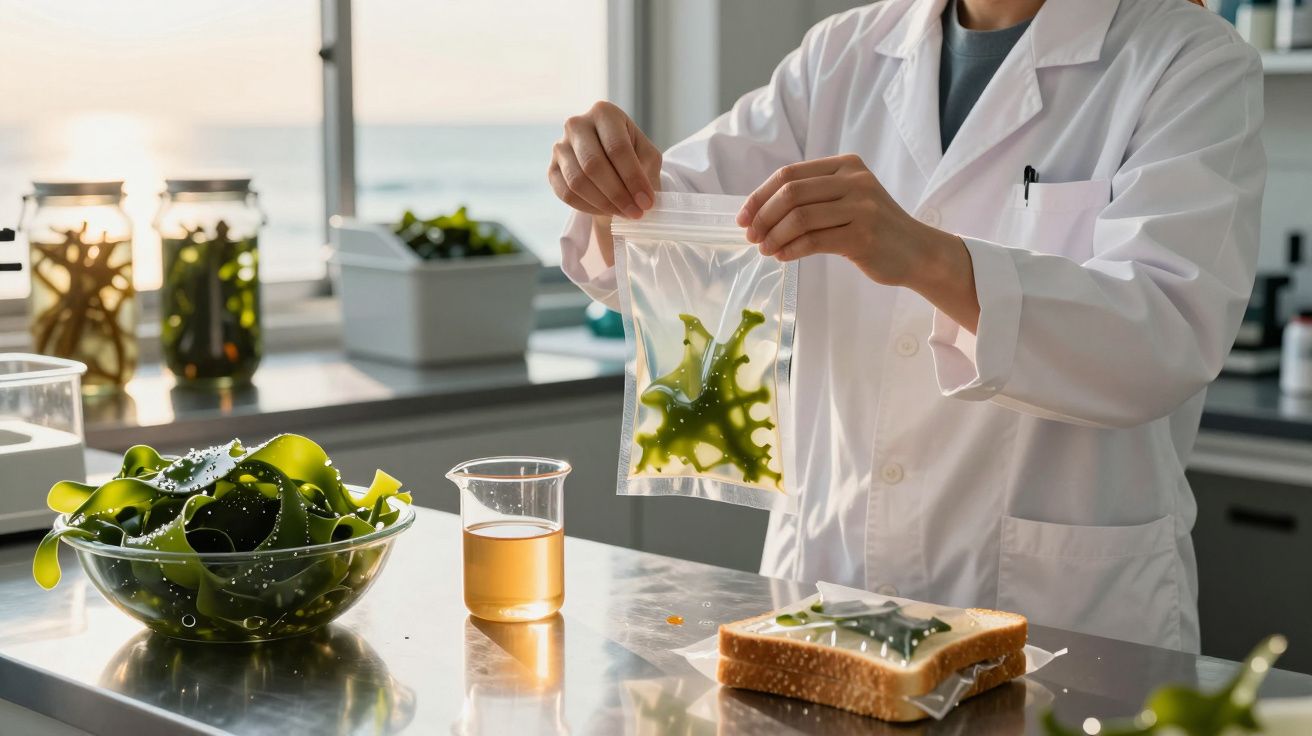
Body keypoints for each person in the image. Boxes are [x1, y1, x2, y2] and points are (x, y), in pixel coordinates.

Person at [551, 0, 1264, 652]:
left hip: (1062, 617)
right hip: (829, 591)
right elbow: (672, 232)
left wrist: (923, 256)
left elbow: (1162, 337)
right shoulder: (840, 54)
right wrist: (611, 187)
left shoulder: (1188, 58)